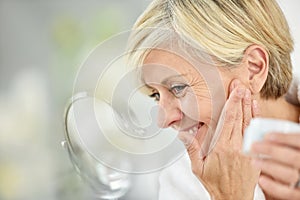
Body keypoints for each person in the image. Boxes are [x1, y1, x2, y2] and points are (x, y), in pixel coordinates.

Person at [126, 0, 300, 199]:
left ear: (254, 68)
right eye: (156, 95)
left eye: (178, 88)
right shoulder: (180, 186)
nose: (163, 120)